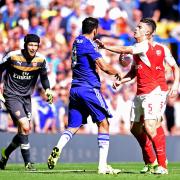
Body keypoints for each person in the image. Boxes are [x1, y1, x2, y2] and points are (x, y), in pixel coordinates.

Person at [96, 18, 180, 175]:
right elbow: (134, 72)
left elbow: (175, 67)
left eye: (139, 27)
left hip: (155, 91)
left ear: (147, 32)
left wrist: (105, 46)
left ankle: (162, 165)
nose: (135, 29)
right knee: (135, 129)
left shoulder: (150, 47)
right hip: (141, 93)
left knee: (149, 126)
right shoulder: (138, 50)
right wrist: (122, 82)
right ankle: (151, 162)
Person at [47, 17, 121, 175]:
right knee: (104, 123)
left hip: (75, 89)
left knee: (73, 126)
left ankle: (58, 148)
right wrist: (118, 72)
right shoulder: (88, 44)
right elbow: (104, 66)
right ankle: (102, 166)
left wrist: (97, 46)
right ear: (95, 30)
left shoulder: (77, 41)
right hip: (89, 89)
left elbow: (87, 57)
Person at [0, 34, 53, 170]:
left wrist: (47, 90)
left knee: (24, 131)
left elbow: (44, 77)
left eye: (35, 45)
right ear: (25, 44)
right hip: (11, 95)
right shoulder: (13, 56)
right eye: (30, 45)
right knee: (25, 125)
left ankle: (5, 154)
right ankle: (28, 163)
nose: (33, 48)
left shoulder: (40, 60)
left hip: (26, 97)